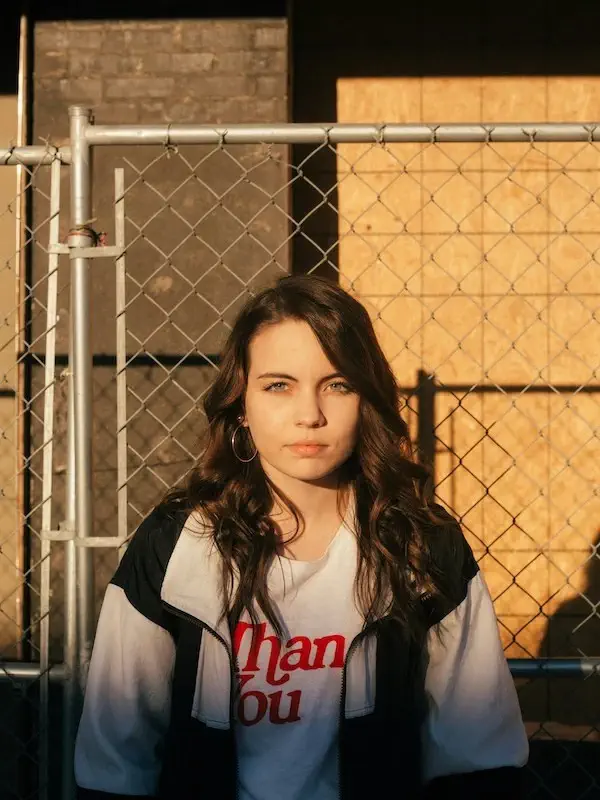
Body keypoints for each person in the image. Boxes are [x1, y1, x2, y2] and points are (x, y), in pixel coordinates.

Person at [74, 274, 529, 799]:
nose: (310, 415)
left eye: (337, 385)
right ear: (241, 403)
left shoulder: (422, 548)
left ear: (367, 398)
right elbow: (115, 758)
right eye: (278, 385)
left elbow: (478, 756)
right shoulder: (177, 544)